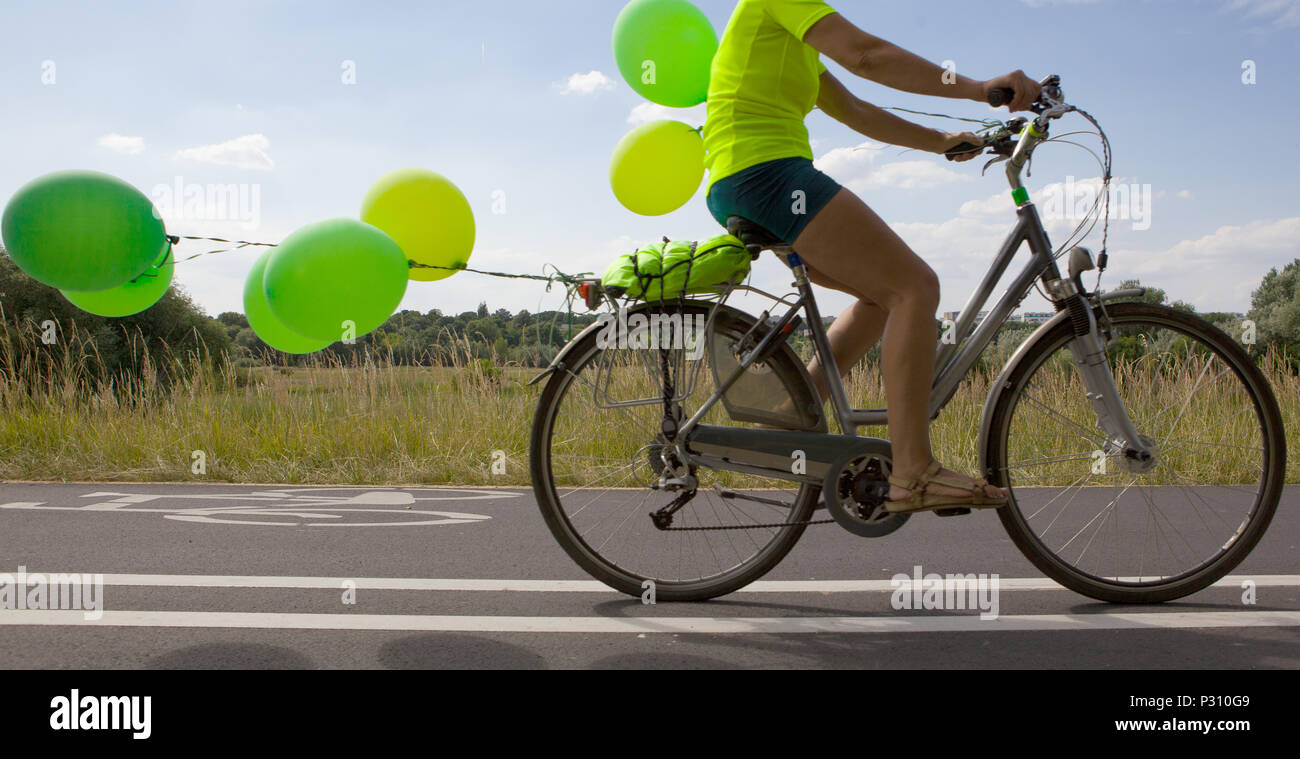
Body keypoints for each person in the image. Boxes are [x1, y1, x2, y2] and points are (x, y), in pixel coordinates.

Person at [703, 0, 1041, 512]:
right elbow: (865, 55)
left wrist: (942, 142)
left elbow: (856, 110)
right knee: (915, 287)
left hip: (744, 181)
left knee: (882, 298)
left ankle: (801, 417)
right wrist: (979, 88)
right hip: (767, 174)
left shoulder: (789, 41)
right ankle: (914, 472)